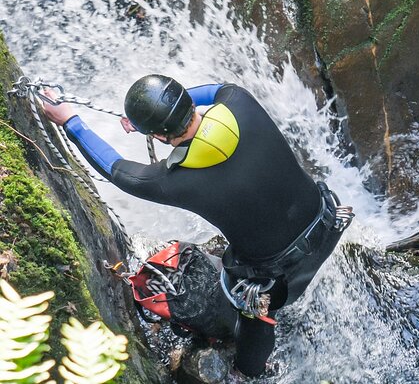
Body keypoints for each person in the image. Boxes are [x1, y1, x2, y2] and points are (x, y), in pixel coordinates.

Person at [41, 74, 353, 377]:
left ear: (160, 137)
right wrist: (152, 119)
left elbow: (118, 171)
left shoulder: (178, 181)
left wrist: (71, 121)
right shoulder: (239, 100)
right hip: (328, 217)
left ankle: (245, 372)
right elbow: (214, 91)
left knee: (257, 318)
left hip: (279, 273)